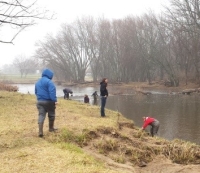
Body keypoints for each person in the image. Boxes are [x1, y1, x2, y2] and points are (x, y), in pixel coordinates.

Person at [35, 68, 57, 137]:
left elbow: (36, 92)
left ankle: (40, 132)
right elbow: (52, 92)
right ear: (50, 75)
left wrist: (40, 98)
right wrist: (54, 100)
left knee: (41, 115)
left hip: (40, 101)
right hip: (49, 102)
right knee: (51, 115)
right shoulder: (49, 82)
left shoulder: (37, 82)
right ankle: (51, 128)